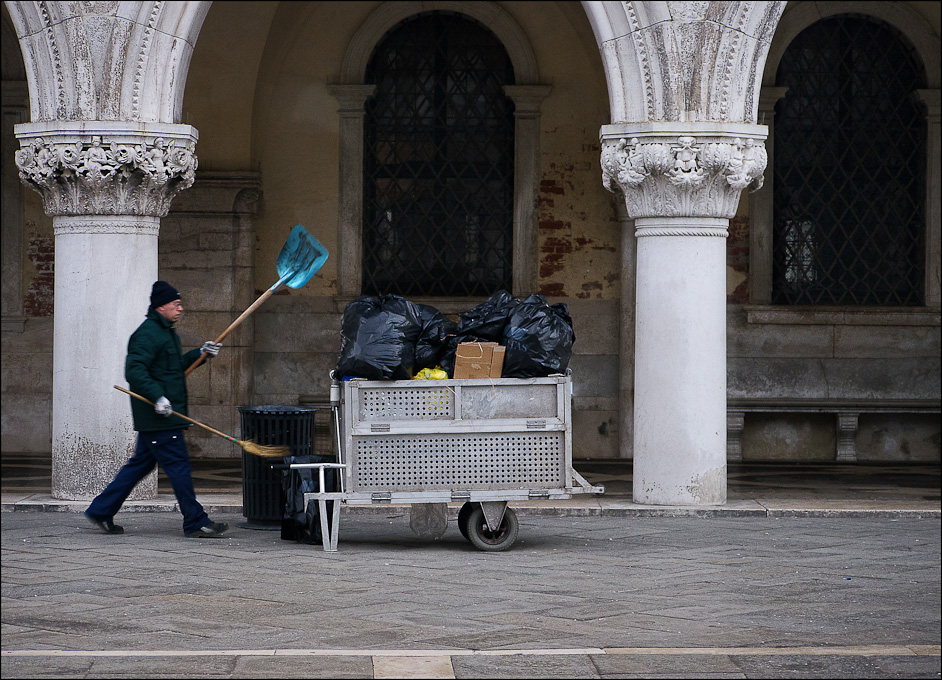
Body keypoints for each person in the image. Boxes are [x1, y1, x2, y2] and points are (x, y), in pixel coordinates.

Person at [84, 281, 229, 538]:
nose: (181, 309)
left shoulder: (166, 332)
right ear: (161, 306)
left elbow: (174, 369)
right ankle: (195, 521)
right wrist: (157, 397)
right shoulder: (147, 333)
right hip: (158, 416)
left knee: (139, 466)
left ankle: (101, 510)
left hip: (162, 416)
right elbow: (135, 370)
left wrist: (202, 353)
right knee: (179, 467)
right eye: (176, 304)